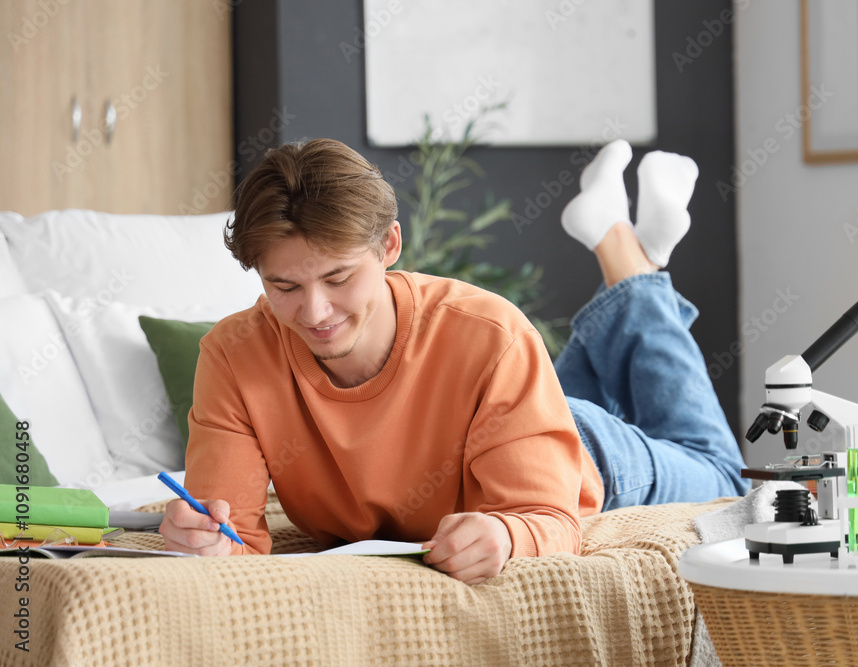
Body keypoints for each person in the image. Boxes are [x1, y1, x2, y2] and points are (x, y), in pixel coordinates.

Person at [159, 138, 749, 584]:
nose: (314, 313)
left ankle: (628, 257)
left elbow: (547, 517)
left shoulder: (488, 333)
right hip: (503, 413)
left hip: (582, 447)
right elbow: (234, 538)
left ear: (389, 246)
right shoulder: (234, 356)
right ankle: (630, 247)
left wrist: (507, 533)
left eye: (338, 278)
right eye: (284, 286)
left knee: (725, 477)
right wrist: (207, 543)